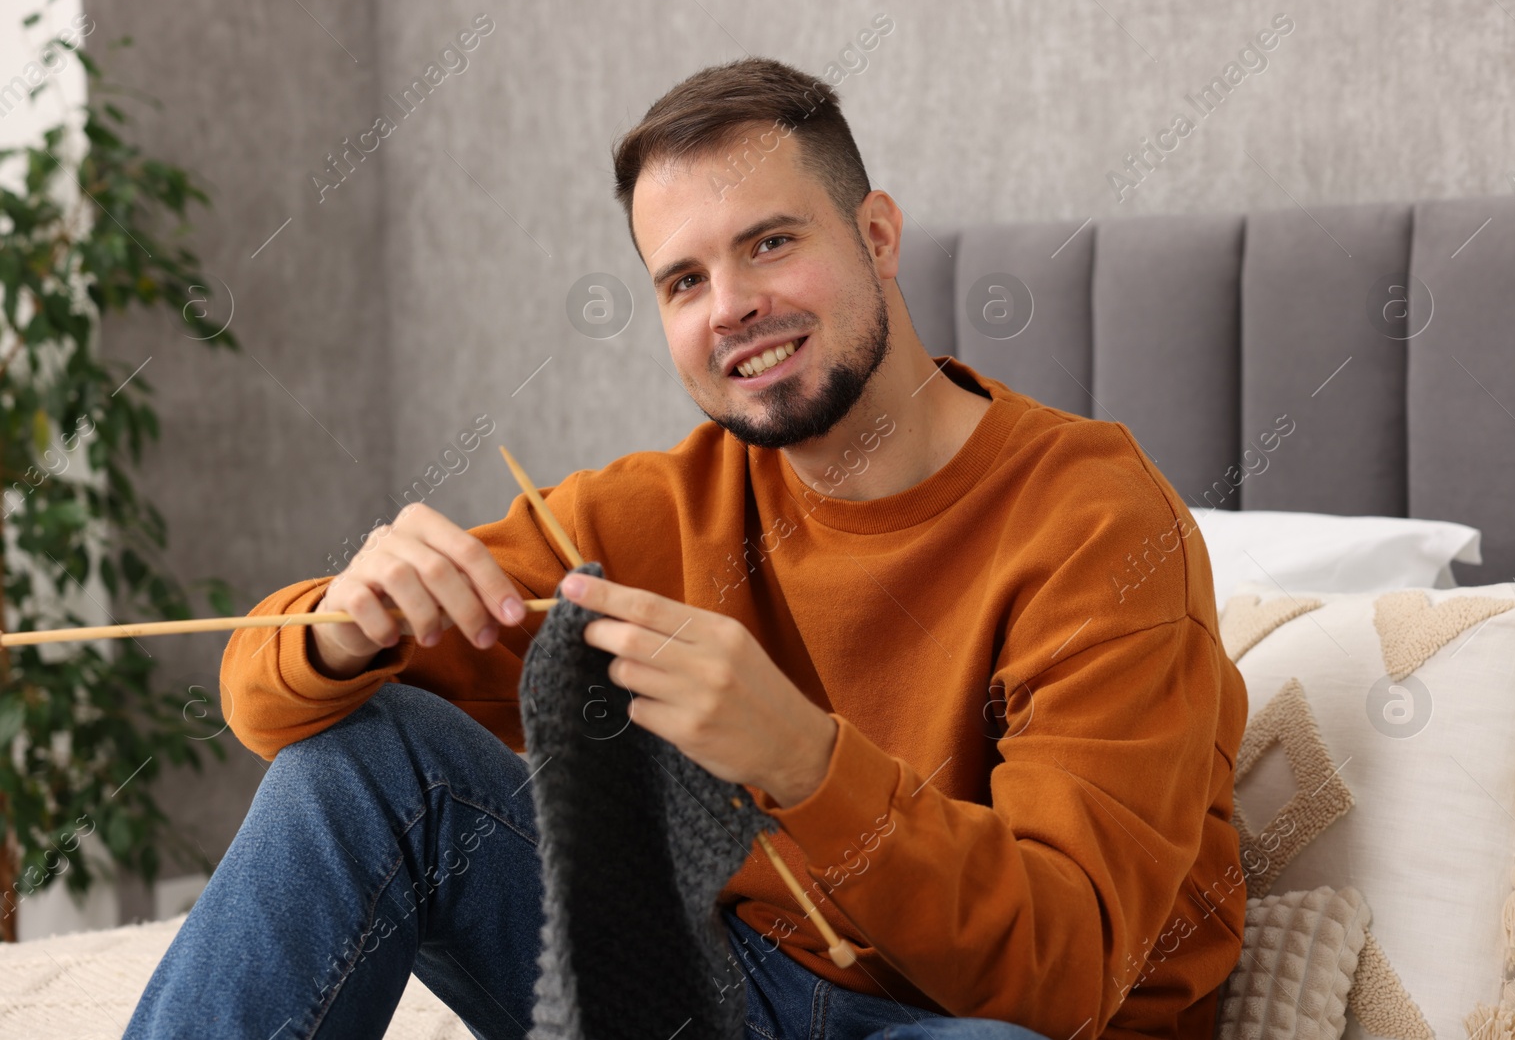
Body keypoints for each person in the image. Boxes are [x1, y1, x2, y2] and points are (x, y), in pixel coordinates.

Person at [124, 56, 1248, 1040]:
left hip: (968, 1022)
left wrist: (805, 758)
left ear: (877, 233)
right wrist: (336, 629)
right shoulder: (649, 512)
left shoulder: (1096, 520)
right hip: (697, 991)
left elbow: (1066, 977)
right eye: (683, 280)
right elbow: (271, 714)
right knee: (367, 758)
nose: (732, 307)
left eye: (769, 243)